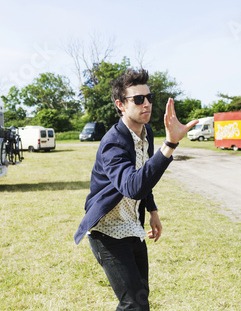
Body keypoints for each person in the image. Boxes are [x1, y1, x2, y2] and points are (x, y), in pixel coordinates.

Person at [74, 68, 198, 310]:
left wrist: (153, 211)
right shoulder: (113, 142)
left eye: (149, 98)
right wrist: (170, 144)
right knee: (134, 304)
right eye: (138, 99)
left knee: (140, 300)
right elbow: (132, 186)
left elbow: (144, 175)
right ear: (121, 105)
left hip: (132, 227)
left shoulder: (146, 133)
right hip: (107, 233)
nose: (147, 104)